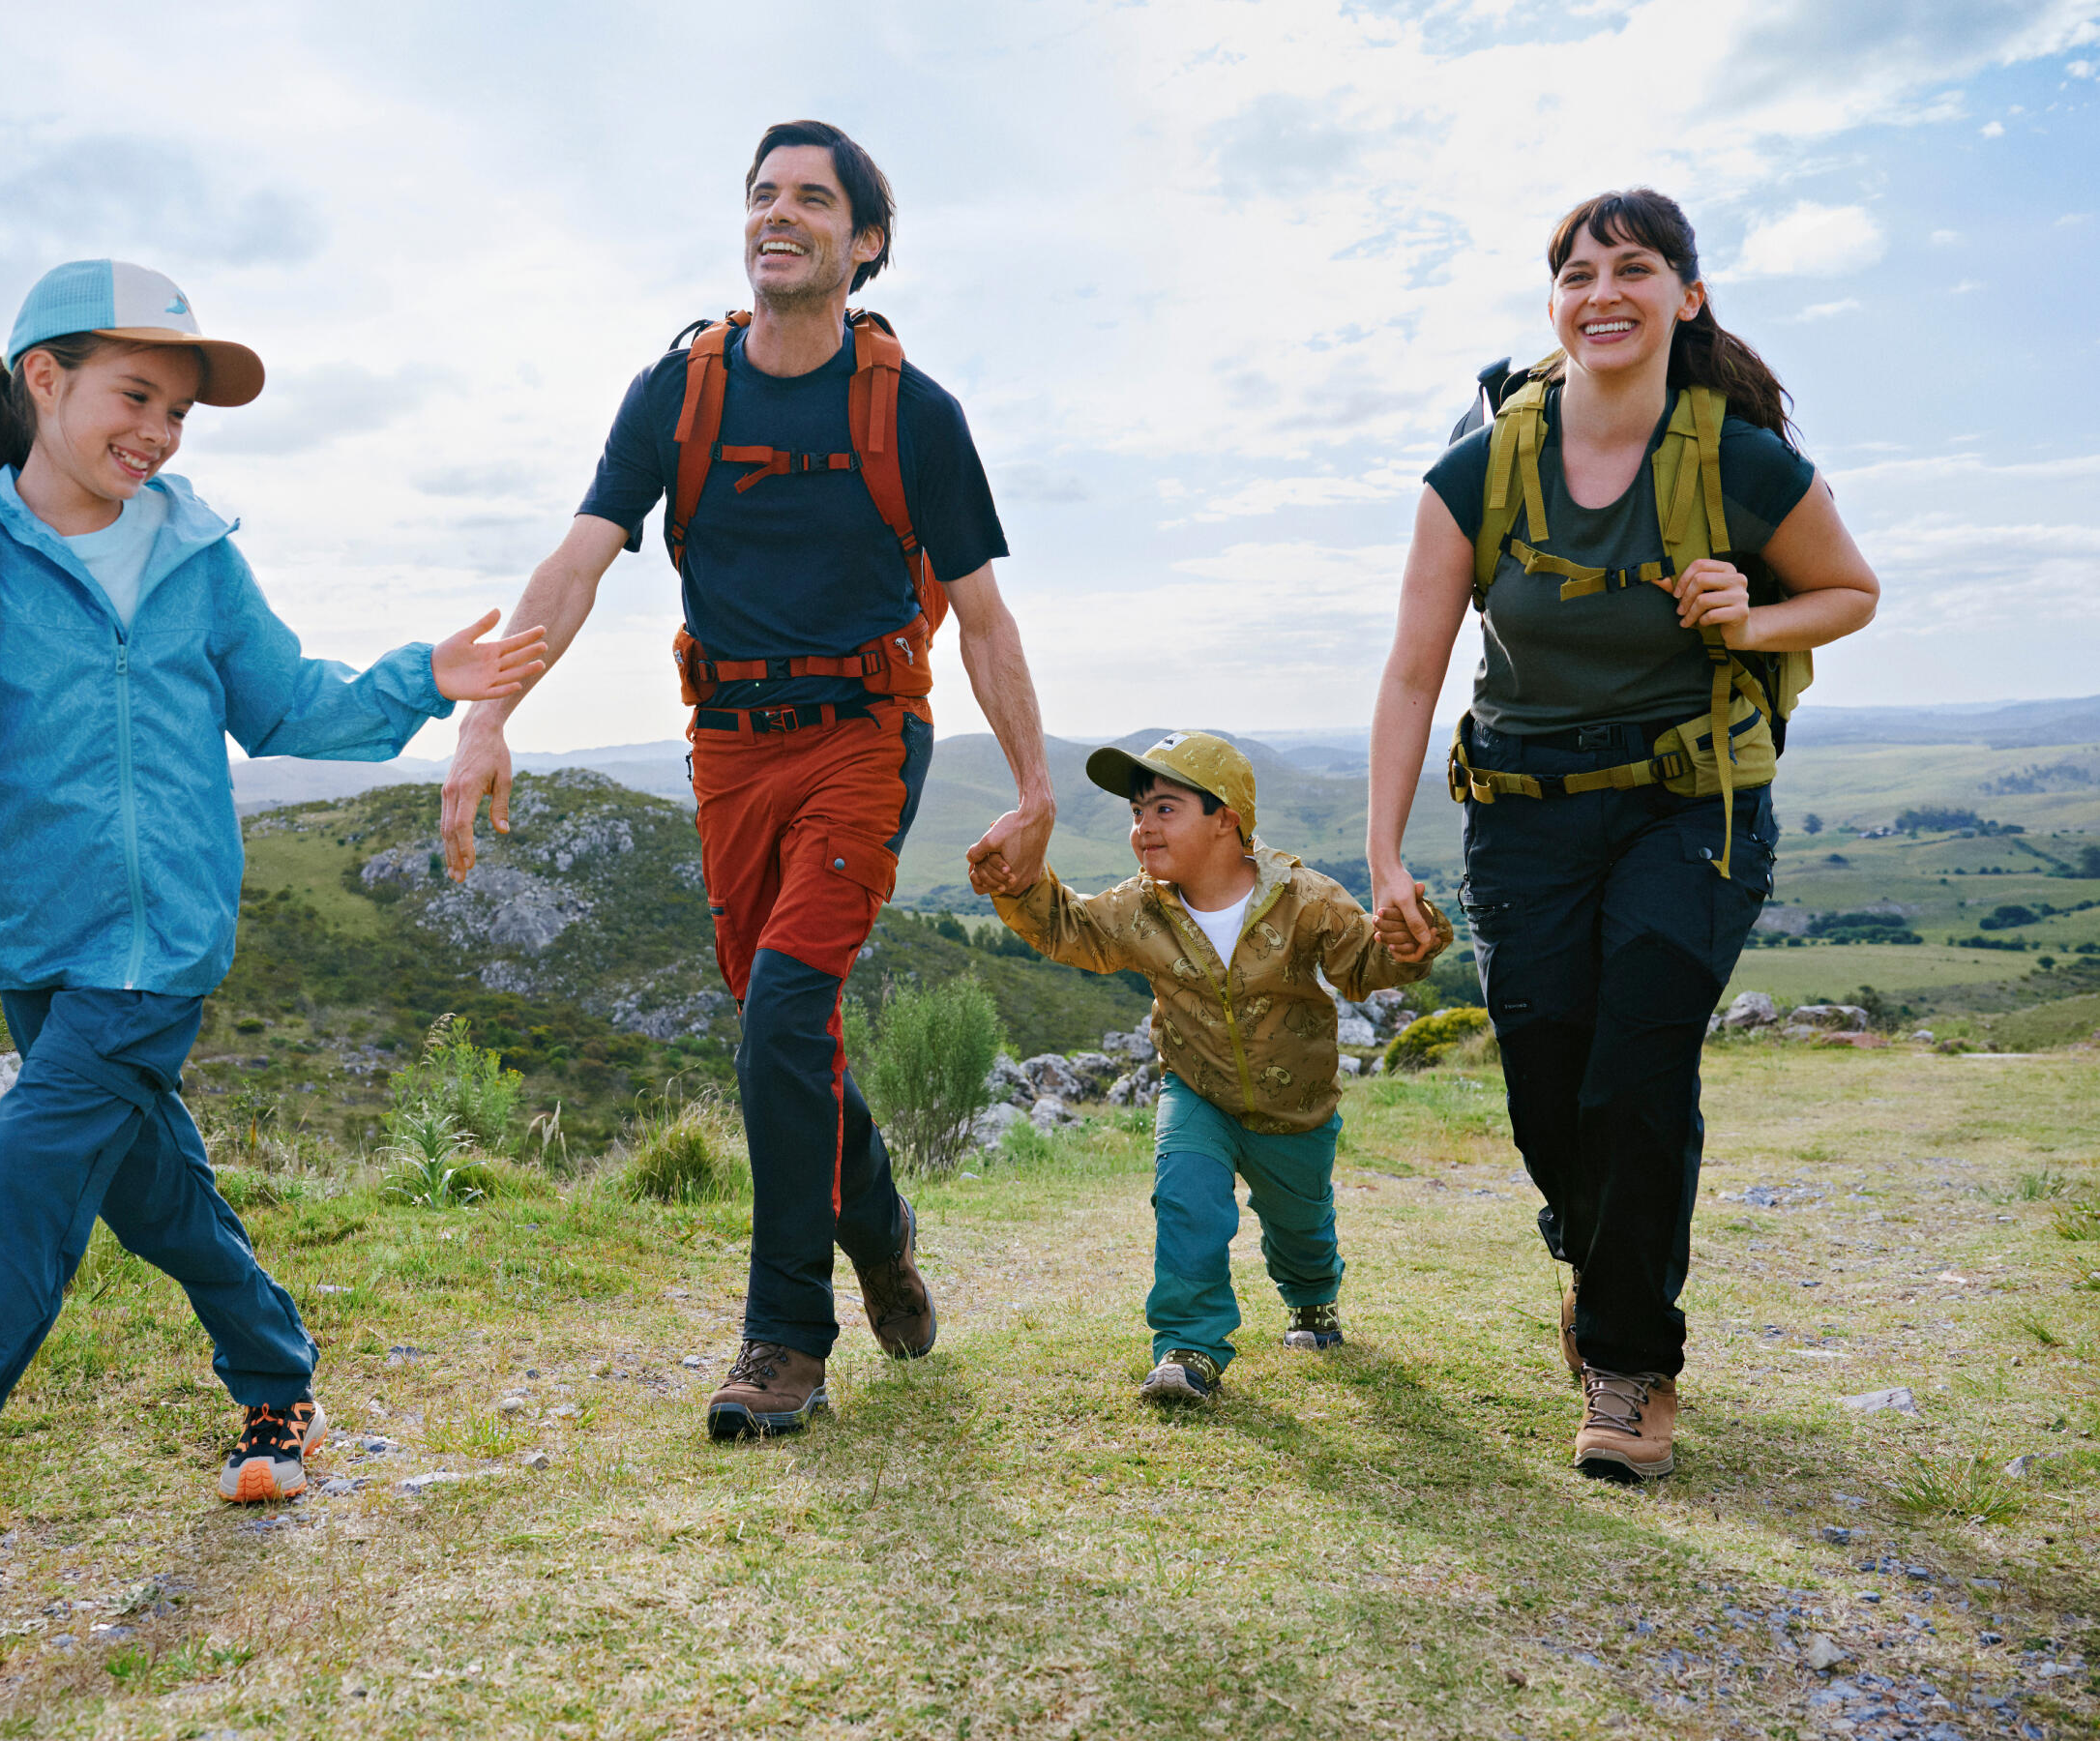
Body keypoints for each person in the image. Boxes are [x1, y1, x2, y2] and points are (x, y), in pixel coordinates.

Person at [0, 259, 547, 1679]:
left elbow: (285, 703)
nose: (162, 433)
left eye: (181, 411)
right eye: (140, 396)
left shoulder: (199, 557)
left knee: (23, 1188)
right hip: (37, 941)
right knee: (157, 1195)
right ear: (44, 382)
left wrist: (418, 678)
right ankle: (279, 1382)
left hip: (163, 947)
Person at [438, 120, 1058, 1440]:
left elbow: (985, 619)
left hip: (861, 739)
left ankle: (785, 1340)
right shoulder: (678, 395)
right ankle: (881, 1224)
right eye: (763, 195)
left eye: (813, 200)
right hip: (727, 753)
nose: (780, 214)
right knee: (788, 1039)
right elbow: (577, 560)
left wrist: (1032, 788)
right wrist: (489, 717)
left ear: (865, 243)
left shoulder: (915, 414)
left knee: (783, 1010)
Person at [1365, 190, 1879, 1482]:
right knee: (1549, 1085)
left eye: (1635, 268)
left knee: (1638, 1071)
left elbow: (1850, 590)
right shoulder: (1481, 469)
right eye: (1578, 272)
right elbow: (1412, 674)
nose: (1605, 290)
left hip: (1688, 806)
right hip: (1526, 816)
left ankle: (1629, 1365)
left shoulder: (1737, 457)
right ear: (1555, 309)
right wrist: (1382, 856)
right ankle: (1603, 1270)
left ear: (1685, 298)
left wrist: (1747, 618)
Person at [990, 732, 1446, 1400]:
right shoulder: (1140, 905)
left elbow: (1361, 965)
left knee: (1301, 1226)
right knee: (1186, 1203)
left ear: (1226, 818)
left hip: (1295, 1108)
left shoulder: (1305, 898)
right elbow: (1072, 929)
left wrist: (1409, 943)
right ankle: (1188, 1348)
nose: (1143, 828)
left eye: (1164, 809)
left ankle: (1313, 1297)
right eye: (1136, 813)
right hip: (1196, 1091)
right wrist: (1018, 882)